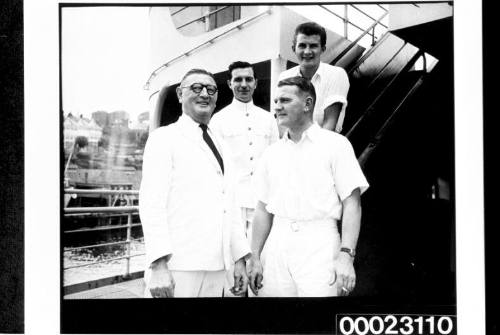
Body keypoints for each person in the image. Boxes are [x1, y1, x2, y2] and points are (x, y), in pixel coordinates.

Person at [247, 76, 368, 297]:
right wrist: (254, 256)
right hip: (277, 244)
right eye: (276, 101)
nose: (277, 107)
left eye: (285, 100)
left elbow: (352, 203)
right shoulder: (271, 153)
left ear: (307, 104)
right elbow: (262, 209)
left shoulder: (336, 145)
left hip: (320, 243)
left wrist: (346, 256)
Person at [139, 68, 251, 298]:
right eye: (196, 88)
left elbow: (230, 206)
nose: (205, 94)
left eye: (211, 89)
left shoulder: (221, 143)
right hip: (178, 265)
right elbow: (152, 204)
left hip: (217, 266)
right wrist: (158, 264)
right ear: (180, 94)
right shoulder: (164, 138)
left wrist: (239, 260)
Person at [210, 61, 279, 296]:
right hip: (233, 208)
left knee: (263, 279)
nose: (243, 84)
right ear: (229, 83)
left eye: (248, 79)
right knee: (235, 285)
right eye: (238, 79)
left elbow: (275, 163)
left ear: (256, 83)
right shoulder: (217, 121)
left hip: (263, 207)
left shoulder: (269, 119)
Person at [278, 22, 350, 133]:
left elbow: (329, 124)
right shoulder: (284, 77)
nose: (307, 51)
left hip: (325, 145)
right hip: (292, 145)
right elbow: (282, 121)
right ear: (294, 48)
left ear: (323, 48)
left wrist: (311, 149)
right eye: (302, 45)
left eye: (313, 46)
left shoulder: (337, 74)